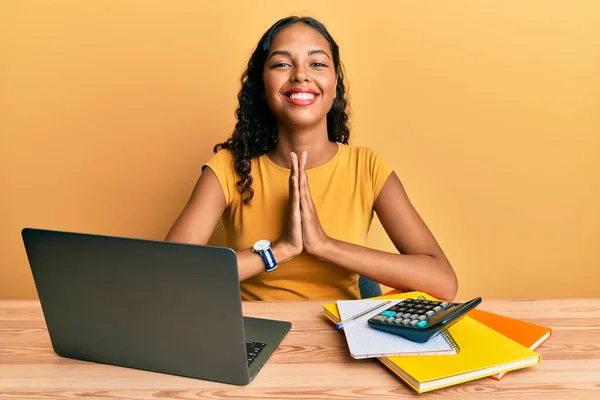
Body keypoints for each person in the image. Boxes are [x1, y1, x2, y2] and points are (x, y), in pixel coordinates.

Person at [166, 16, 458, 302]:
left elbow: (443, 283)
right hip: (251, 338)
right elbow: (167, 277)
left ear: (334, 84)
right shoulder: (229, 167)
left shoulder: (366, 168)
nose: (300, 75)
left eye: (317, 63)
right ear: (262, 87)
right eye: (282, 64)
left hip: (342, 339)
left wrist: (325, 245)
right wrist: (280, 250)